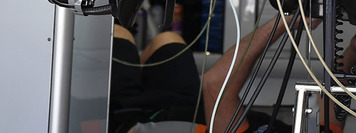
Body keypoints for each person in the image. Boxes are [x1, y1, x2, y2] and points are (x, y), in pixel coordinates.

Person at [110, 16, 311, 133]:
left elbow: (216, 83)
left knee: (118, 34)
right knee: (168, 40)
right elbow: (334, 102)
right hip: (192, 109)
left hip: (139, 122)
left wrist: (285, 22)